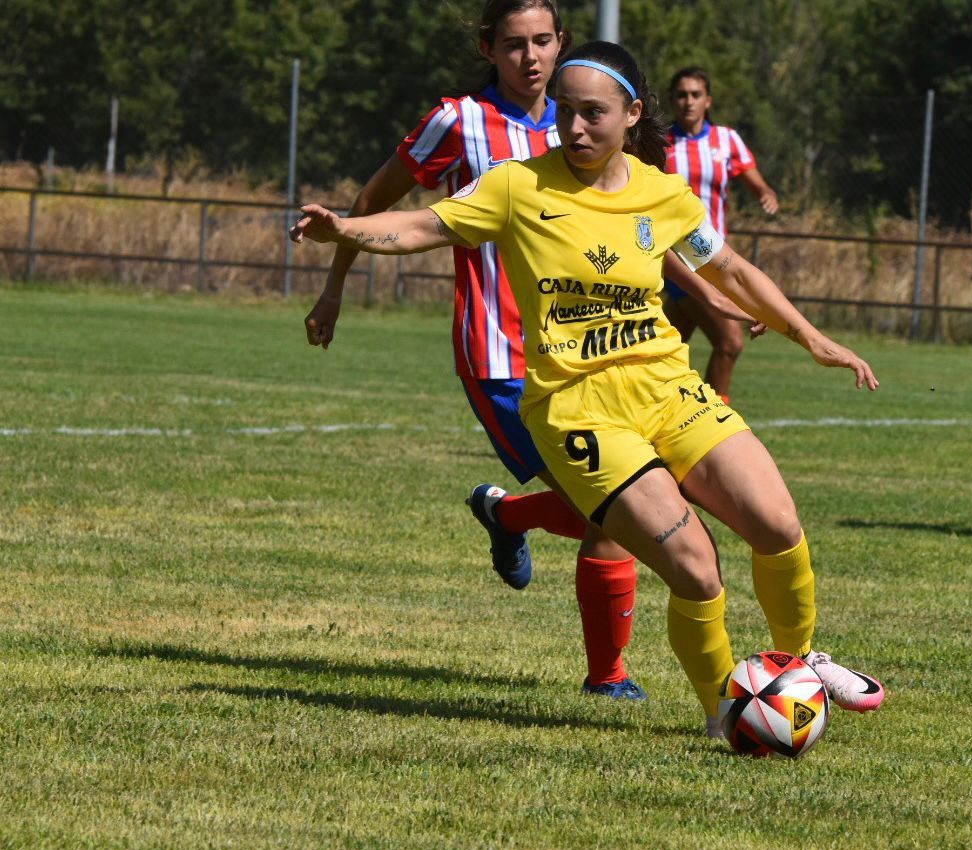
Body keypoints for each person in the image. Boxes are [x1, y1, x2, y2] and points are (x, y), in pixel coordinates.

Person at [290, 40, 888, 736]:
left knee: (778, 523)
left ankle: (796, 663)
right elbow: (421, 224)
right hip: (576, 407)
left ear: (631, 114)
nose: (573, 129)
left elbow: (730, 270)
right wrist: (347, 229)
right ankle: (728, 713)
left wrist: (811, 337)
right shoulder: (518, 186)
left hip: (667, 387)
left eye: (592, 114)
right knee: (696, 566)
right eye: (565, 113)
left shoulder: (661, 194)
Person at [302, 0, 725, 700]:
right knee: (616, 508)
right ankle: (608, 674)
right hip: (502, 355)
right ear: (486, 49)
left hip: (600, 356)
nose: (529, 57)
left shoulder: (588, 120)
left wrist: (709, 290)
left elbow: (634, 226)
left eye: (541, 41)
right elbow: (375, 201)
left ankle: (507, 515)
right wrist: (335, 283)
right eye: (511, 44)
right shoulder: (459, 121)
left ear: (562, 43)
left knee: (624, 502)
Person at [661, 67, 780, 402]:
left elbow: (757, 183)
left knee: (664, 347)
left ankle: (649, 413)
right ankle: (716, 419)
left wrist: (766, 195)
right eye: (682, 94)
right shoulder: (659, 143)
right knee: (730, 343)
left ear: (707, 100)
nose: (688, 101)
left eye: (695, 95)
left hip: (711, 256)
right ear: (673, 99)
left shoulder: (725, 141)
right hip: (674, 257)